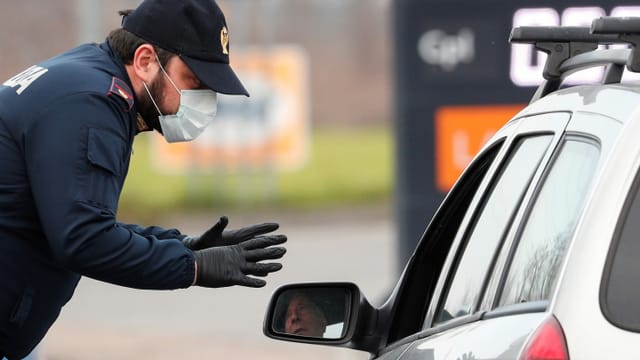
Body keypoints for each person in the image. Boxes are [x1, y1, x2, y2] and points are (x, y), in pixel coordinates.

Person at [0, 0, 288, 359]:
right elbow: (83, 239)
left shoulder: (89, 78)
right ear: (146, 60)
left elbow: (77, 219)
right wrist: (193, 267)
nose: (204, 101)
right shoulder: (91, 104)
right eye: (194, 82)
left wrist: (183, 245)